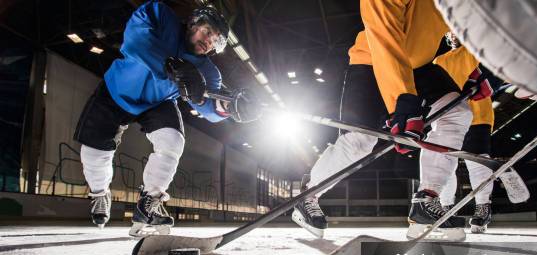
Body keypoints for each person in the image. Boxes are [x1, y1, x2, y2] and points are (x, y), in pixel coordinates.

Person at [292, 0, 491, 240]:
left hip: (421, 65)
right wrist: (403, 102)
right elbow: (384, 39)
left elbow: (461, 23)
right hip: (373, 59)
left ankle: (425, 202)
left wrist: (477, 68)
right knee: (359, 142)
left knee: (456, 113)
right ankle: (309, 195)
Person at [75, 1, 259, 236]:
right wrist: (171, 65)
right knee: (94, 153)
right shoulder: (159, 15)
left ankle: (149, 202)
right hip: (116, 91)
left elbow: (209, 105)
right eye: (207, 31)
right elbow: (136, 40)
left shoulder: (208, 71)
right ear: (193, 23)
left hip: (158, 102)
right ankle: (100, 193)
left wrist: (231, 107)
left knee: (173, 142)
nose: (209, 41)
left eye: (216, 41)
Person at [436, 36, 496, 233]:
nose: (454, 34)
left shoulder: (480, 48)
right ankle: (445, 208)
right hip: (447, 118)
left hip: (478, 116)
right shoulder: (438, 61)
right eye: (450, 31)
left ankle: (483, 207)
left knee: (477, 162)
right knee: (445, 164)